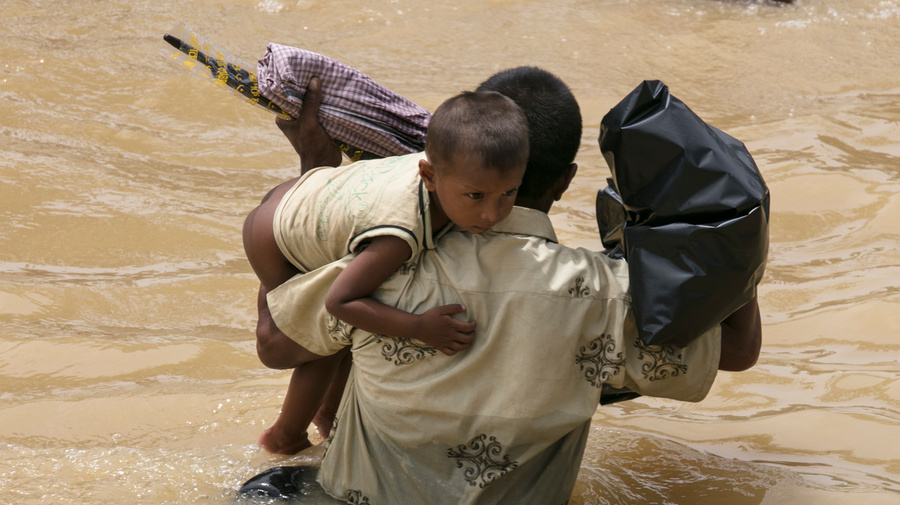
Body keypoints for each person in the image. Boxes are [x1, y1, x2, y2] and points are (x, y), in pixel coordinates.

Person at [243, 66, 761, 503]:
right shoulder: (606, 298)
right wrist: (730, 224)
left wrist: (316, 176)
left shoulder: (388, 263)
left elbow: (276, 341)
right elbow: (738, 350)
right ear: (565, 180)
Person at [242, 88, 530, 454]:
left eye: (509, 194)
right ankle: (285, 435)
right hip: (275, 238)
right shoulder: (402, 232)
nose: (492, 213)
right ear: (429, 176)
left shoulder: (448, 169)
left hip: (305, 195)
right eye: (476, 196)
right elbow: (339, 301)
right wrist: (419, 328)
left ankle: (328, 416)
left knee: (348, 319)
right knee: (325, 338)